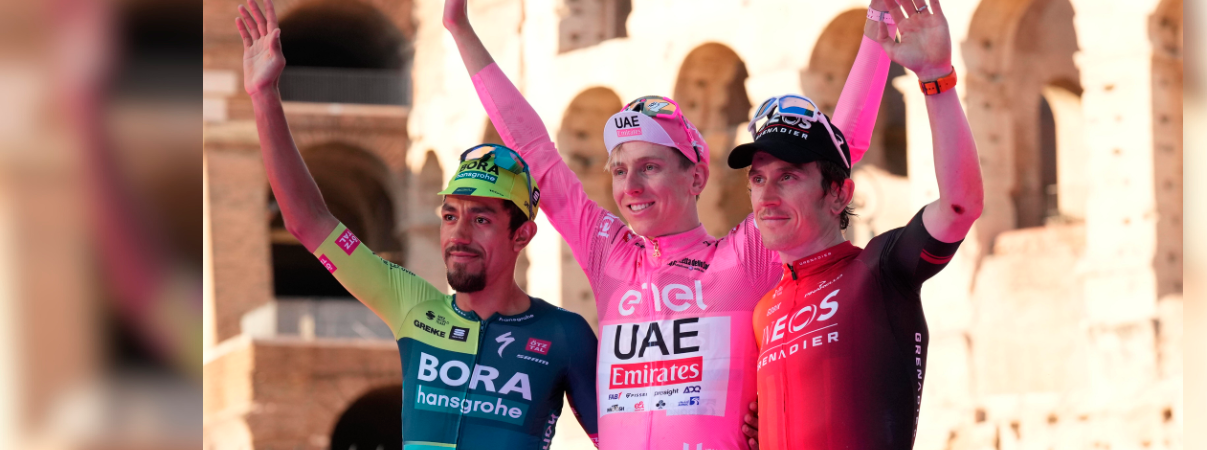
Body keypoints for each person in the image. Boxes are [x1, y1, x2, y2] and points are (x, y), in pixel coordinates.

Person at [442, 0, 901, 448]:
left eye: (650, 167)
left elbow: (838, 150)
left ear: (696, 176)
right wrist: (461, 30)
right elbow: (536, 153)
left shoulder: (744, 255)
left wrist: (877, 28)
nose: (631, 187)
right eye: (620, 171)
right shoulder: (610, 254)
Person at [234, 1, 599, 448]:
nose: (459, 234)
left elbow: (620, 439)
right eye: (450, 216)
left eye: (481, 218)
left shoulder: (565, 333)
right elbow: (308, 221)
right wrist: (264, 95)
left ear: (522, 233)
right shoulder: (413, 305)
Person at [732, 0, 983, 448]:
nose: (767, 195)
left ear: (839, 194)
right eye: (758, 179)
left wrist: (935, 79)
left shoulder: (880, 270)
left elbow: (960, 206)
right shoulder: (764, 310)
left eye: (788, 177)